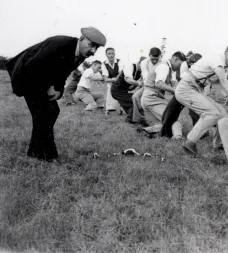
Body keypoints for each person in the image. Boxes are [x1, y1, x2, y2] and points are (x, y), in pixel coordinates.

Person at [5, 27, 106, 162]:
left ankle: (36, 152)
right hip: (27, 76)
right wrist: (47, 87)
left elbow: (62, 72)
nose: (93, 51)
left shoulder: (81, 54)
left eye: (96, 48)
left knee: (51, 112)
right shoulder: (59, 44)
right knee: (44, 114)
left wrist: (59, 88)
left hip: (38, 78)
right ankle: (46, 156)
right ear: (81, 39)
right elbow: (32, 66)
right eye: (91, 45)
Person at [175, 42, 228, 155]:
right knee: (212, 113)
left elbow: (222, 84)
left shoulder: (224, 66)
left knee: (222, 113)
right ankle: (189, 143)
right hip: (186, 88)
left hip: (197, 89)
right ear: (227, 52)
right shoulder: (217, 59)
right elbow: (224, 81)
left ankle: (218, 145)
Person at [141, 51, 186, 138]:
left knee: (166, 123)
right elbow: (159, 84)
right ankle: (178, 137)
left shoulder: (169, 68)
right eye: (180, 64)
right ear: (175, 59)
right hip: (152, 98)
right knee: (173, 117)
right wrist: (175, 91)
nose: (180, 67)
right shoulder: (164, 66)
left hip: (152, 97)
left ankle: (150, 130)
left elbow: (174, 84)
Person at [131, 47, 162, 124]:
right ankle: (139, 119)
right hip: (148, 85)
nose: (155, 61)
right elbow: (145, 77)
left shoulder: (162, 63)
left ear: (160, 56)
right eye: (153, 59)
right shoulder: (144, 62)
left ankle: (153, 120)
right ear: (149, 55)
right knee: (135, 97)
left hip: (159, 86)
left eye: (156, 59)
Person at [111, 57, 146, 123]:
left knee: (137, 99)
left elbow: (129, 88)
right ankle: (130, 119)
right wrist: (138, 83)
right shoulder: (130, 66)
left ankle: (131, 116)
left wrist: (138, 84)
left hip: (123, 91)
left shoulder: (138, 73)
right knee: (134, 102)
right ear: (139, 63)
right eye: (143, 66)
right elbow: (128, 80)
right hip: (117, 90)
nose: (144, 68)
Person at [102, 48, 124, 114]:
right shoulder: (104, 64)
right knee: (110, 90)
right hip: (111, 82)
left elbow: (121, 72)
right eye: (109, 53)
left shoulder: (119, 61)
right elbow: (105, 78)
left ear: (114, 54)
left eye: (112, 53)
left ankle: (120, 108)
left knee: (120, 92)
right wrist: (113, 80)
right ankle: (108, 109)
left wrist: (116, 78)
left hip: (120, 81)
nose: (111, 55)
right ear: (106, 55)